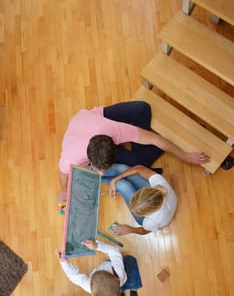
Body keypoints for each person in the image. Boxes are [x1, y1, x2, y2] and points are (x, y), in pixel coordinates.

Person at [57, 101, 210, 202]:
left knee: (143, 109)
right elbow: (62, 172)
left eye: (104, 168)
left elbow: (154, 139)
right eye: (98, 168)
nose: (102, 173)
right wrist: (64, 190)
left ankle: (142, 159)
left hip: (95, 122)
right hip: (84, 122)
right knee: (139, 160)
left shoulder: (116, 130)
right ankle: (141, 156)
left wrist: (185, 156)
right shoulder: (71, 158)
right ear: (89, 158)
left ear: (115, 143)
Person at [55, 240, 142, 296]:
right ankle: (132, 289)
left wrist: (64, 263)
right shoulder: (118, 270)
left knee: (119, 288)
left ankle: (121, 293)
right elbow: (114, 252)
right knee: (131, 265)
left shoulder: (90, 287)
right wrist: (97, 246)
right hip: (123, 276)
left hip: (119, 283)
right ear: (117, 280)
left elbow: (74, 277)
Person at [108, 165, 177, 236]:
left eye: (137, 213)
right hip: (159, 202)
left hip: (159, 216)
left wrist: (129, 229)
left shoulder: (152, 222)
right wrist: (114, 180)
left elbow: (143, 231)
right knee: (121, 168)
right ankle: (99, 175)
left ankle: (101, 179)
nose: (132, 211)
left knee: (121, 185)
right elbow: (139, 168)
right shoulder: (159, 183)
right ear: (143, 191)